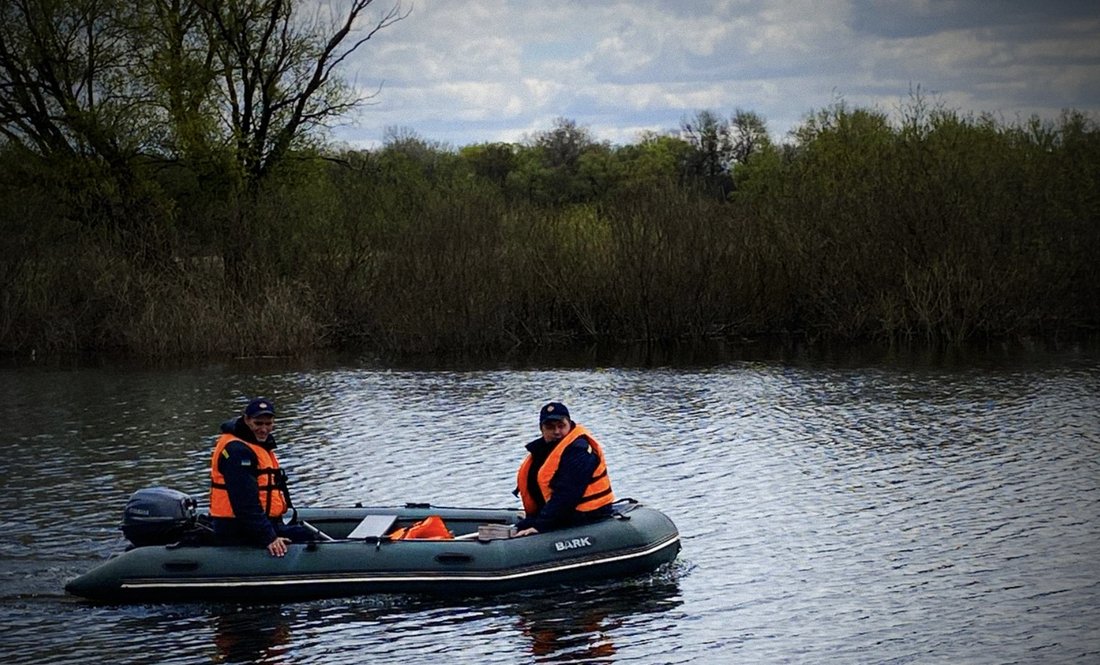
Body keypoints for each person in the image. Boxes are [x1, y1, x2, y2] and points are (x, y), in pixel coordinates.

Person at [208, 397, 313, 556]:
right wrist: (269, 537)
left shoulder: (253, 443)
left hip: (252, 525)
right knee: (307, 538)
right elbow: (245, 502)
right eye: (258, 423)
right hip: (237, 528)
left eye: (268, 424)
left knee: (303, 532)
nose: (264, 429)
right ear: (247, 420)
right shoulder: (237, 451)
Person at [514, 402, 615, 536]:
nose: (556, 432)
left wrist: (540, 525)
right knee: (520, 526)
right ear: (542, 429)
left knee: (525, 527)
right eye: (550, 427)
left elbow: (567, 494)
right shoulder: (543, 451)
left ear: (570, 424)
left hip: (589, 513)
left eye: (561, 426)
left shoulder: (580, 450)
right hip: (565, 511)